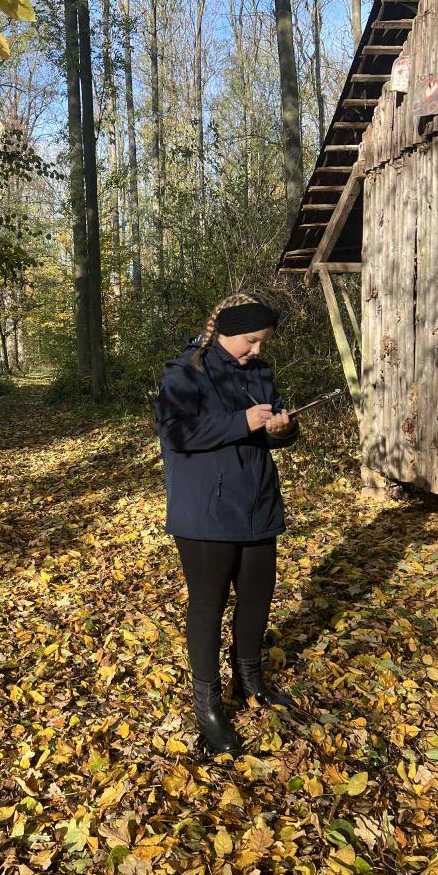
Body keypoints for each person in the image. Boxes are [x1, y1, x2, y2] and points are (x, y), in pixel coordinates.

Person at [152, 291, 300, 755]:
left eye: (263, 342)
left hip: (258, 504)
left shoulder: (259, 372)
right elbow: (176, 434)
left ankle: (250, 681)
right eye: (251, 340)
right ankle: (209, 707)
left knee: (257, 598)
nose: (257, 349)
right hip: (205, 512)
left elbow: (270, 431)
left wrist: (283, 430)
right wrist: (243, 422)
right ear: (225, 331)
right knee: (208, 605)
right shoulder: (185, 371)